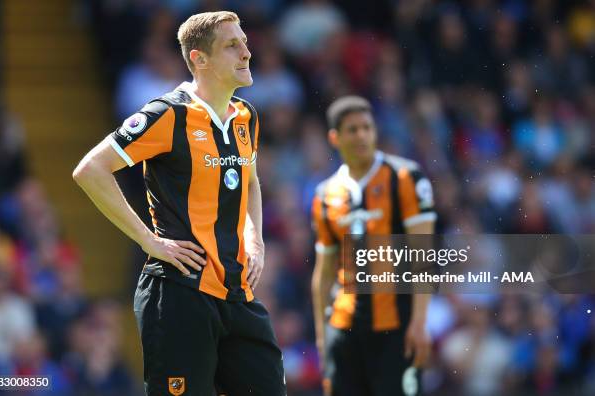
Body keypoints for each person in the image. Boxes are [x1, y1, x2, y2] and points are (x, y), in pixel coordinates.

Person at [73, 11, 286, 396]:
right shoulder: (167, 114)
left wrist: (255, 238)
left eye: (245, 43)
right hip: (179, 294)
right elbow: (90, 170)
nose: (246, 53)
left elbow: (250, 183)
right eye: (232, 45)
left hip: (237, 295)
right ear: (198, 59)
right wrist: (148, 241)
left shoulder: (245, 117)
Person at [311, 96, 435, 396]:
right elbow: (324, 270)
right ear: (334, 137)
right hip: (345, 329)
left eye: (367, 128)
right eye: (352, 129)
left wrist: (419, 323)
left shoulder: (405, 178)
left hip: (397, 329)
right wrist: (322, 338)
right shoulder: (326, 194)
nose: (362, 136)